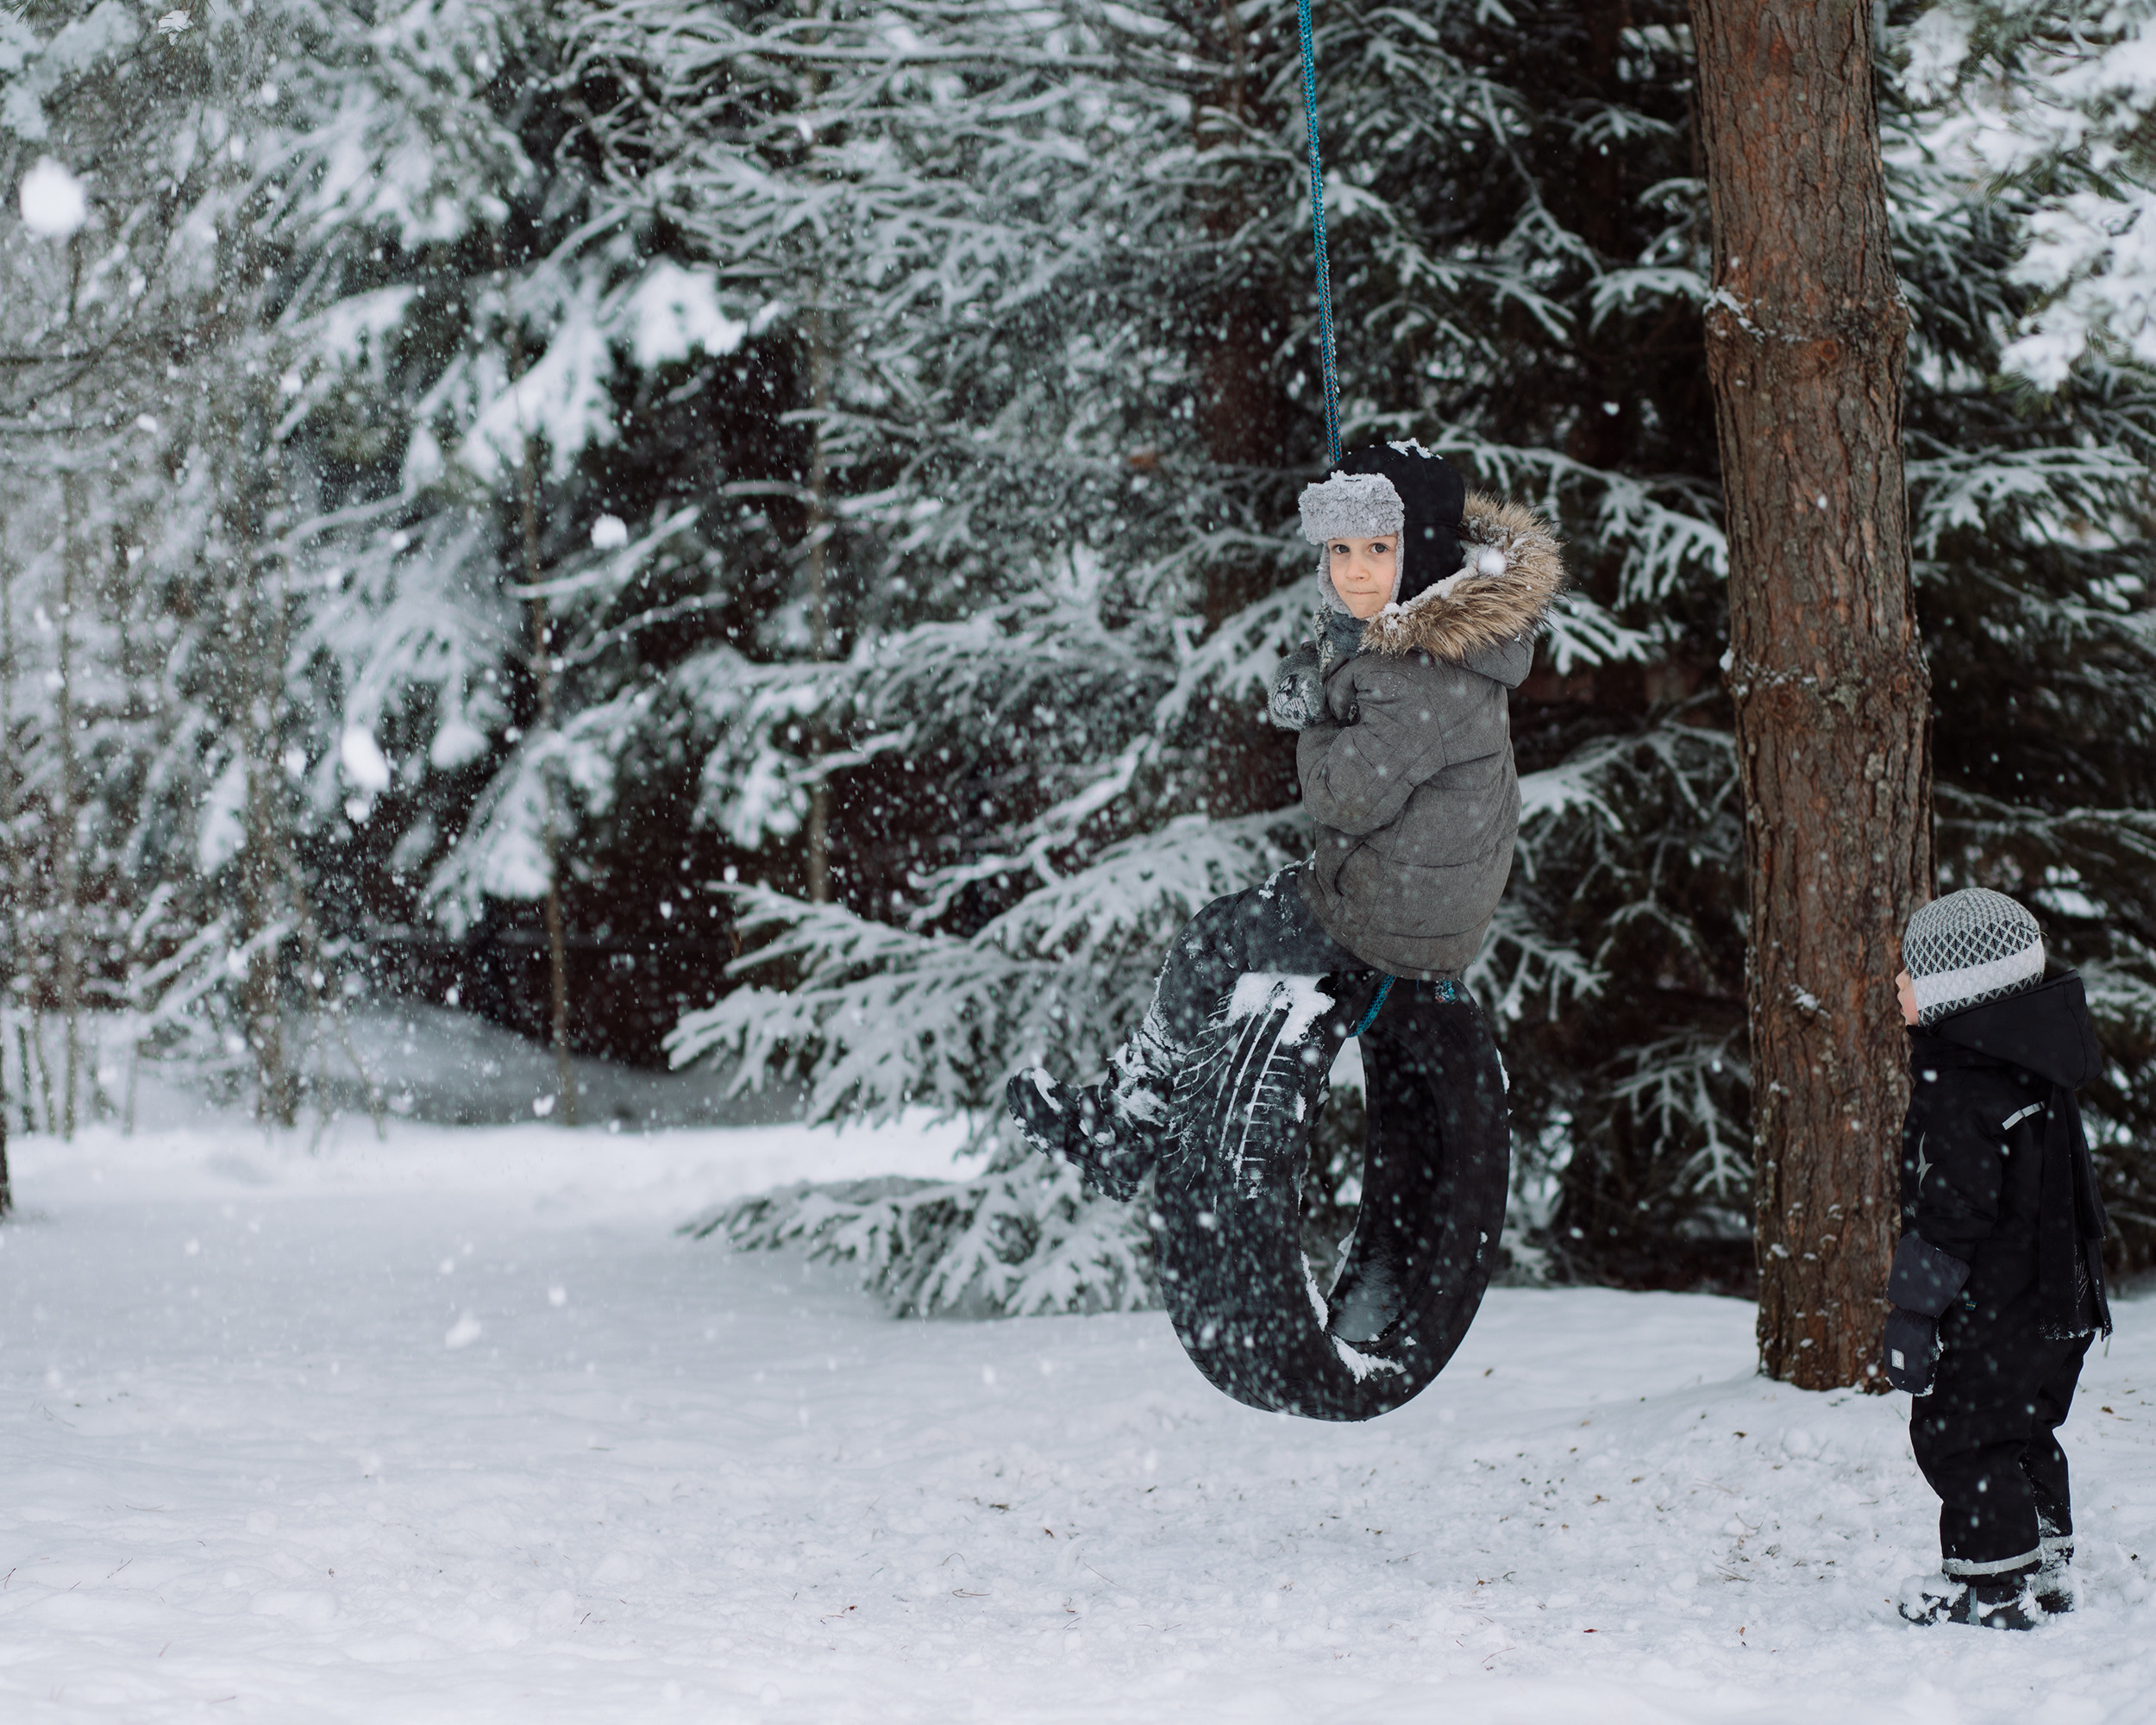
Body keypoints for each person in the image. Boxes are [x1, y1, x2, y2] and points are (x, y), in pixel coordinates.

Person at [1003, 439, 1561, 1246]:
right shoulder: (1447, 648)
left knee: (1216, 938)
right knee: (1249, 938)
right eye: (1340, 550)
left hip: (1387, 915)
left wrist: (1319, 709)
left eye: (1378, 550)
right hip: (1422, 901)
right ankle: (1154, 1113)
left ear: (1425, 554)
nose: (1355, 572)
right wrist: (1336, 661)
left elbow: (1341, 797)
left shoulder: (1417, 676)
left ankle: (1127, 1125)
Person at [1883, 888, 2112, 1631]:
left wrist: (1915, 1312)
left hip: (1997, 1304)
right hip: (2060, 1294)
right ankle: (2046, 1566)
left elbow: (1948, 1217)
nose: (1898, 983)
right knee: (2025, 1425)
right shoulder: (2031, 1061)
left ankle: (1995, 1589)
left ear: (1956, 988)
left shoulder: (1961, 1087)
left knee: (1963, 1434)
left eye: (1911, 971)